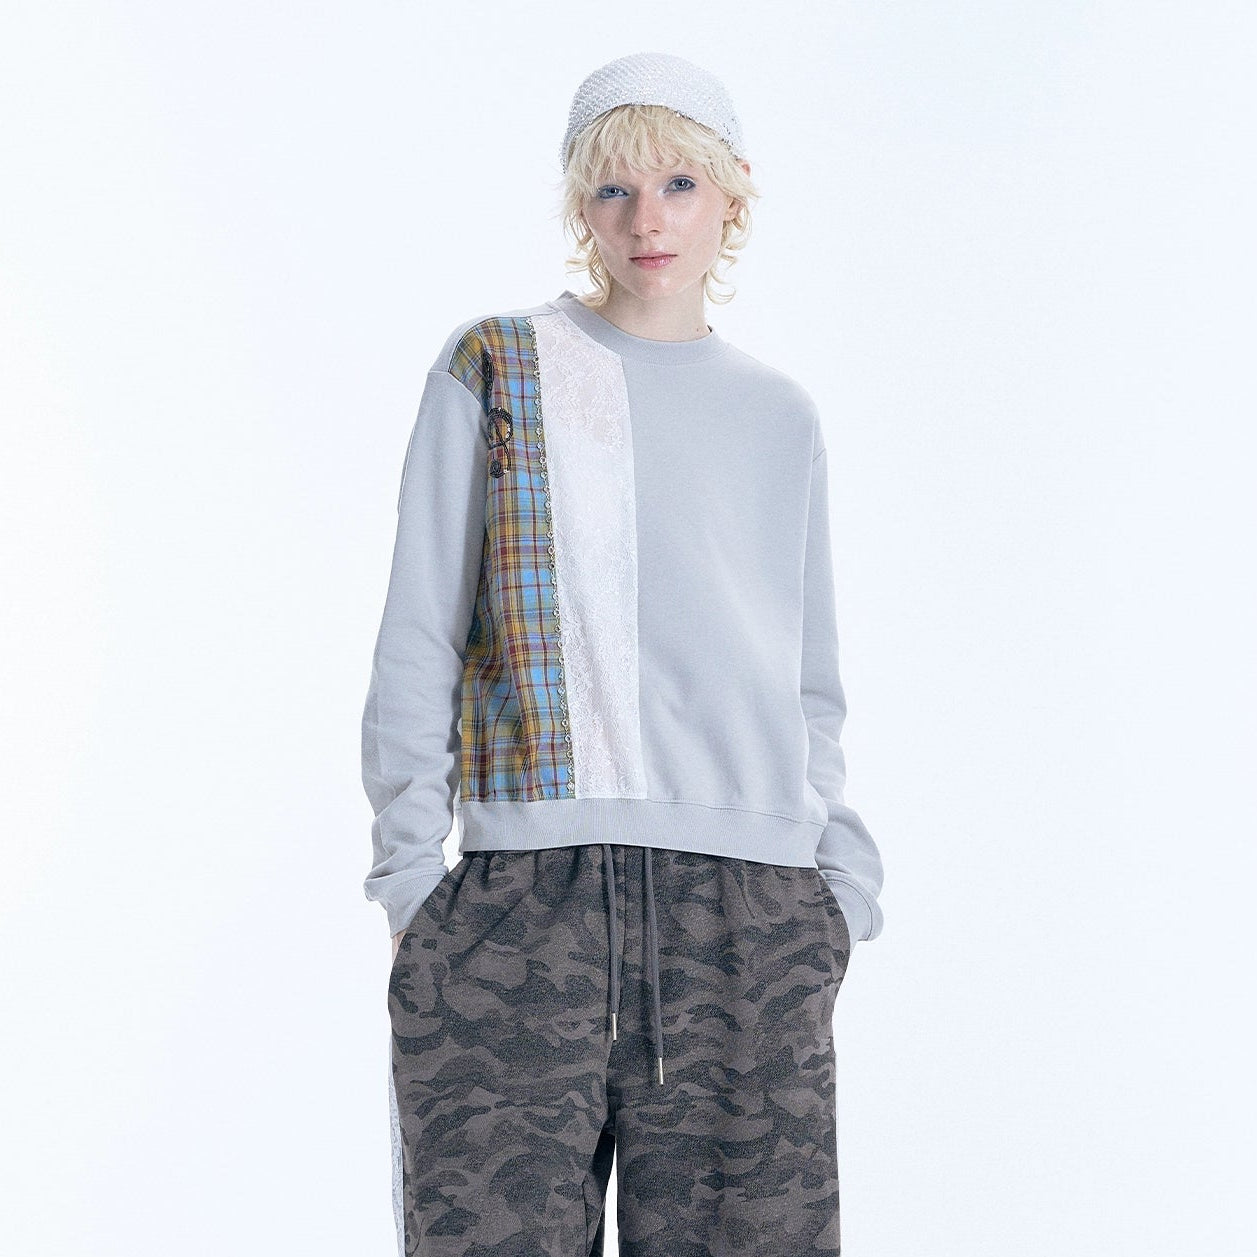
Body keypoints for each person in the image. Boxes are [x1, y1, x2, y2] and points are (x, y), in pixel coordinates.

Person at [361, 50, 885, 1257]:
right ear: (579, 204)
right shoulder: (498, 369)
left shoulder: (781, 415)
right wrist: (412, 885)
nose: (648, 221)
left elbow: (808, 675)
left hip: (750, 914)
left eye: (679, 185)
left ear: (733, 193)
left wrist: (835, 895)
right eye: (613, 189)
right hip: (520, 912)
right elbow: (418, 634)